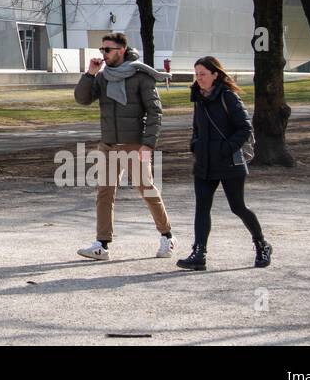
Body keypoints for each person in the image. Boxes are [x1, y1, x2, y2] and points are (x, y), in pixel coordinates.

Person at [74, 32, 176, 261]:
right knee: (104, 193)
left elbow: (154, 112)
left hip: (134, 145)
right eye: (101, 50)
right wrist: (90, 74)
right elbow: (82, 99)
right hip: (108, 144)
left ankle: (167, 236)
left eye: (107, 50)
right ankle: (102, 244)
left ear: (121, 50)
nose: (103, 54)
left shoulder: (140, 76)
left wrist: (148, 144)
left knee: (147, 190)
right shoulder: (102, 77)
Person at [178, 56, 271, 271]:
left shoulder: (228, 97)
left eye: (203, 74)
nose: (199, 78)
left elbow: (245, 128)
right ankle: (199, 252)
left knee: (237, 207)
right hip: (204, 162)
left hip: (229, 163)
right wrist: (195, 144)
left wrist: (226, 148)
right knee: (202, 207)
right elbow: (197, 127)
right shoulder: (198, 97)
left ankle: (262, 245)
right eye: (196, 74)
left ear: (215, 75)